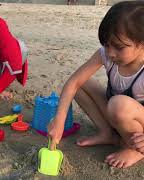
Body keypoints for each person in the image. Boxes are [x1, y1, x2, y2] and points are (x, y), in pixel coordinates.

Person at [48, 1, 144, 168]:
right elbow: (74, 82)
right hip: (115, 115)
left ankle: (134, 149)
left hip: (138, 128)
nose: (111, 53)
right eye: (106, 44)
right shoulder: (106, 55)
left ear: (142, 43)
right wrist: (59, 120)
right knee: (81, 84)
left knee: (119, 105)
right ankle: (107, 133)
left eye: (119, 47)